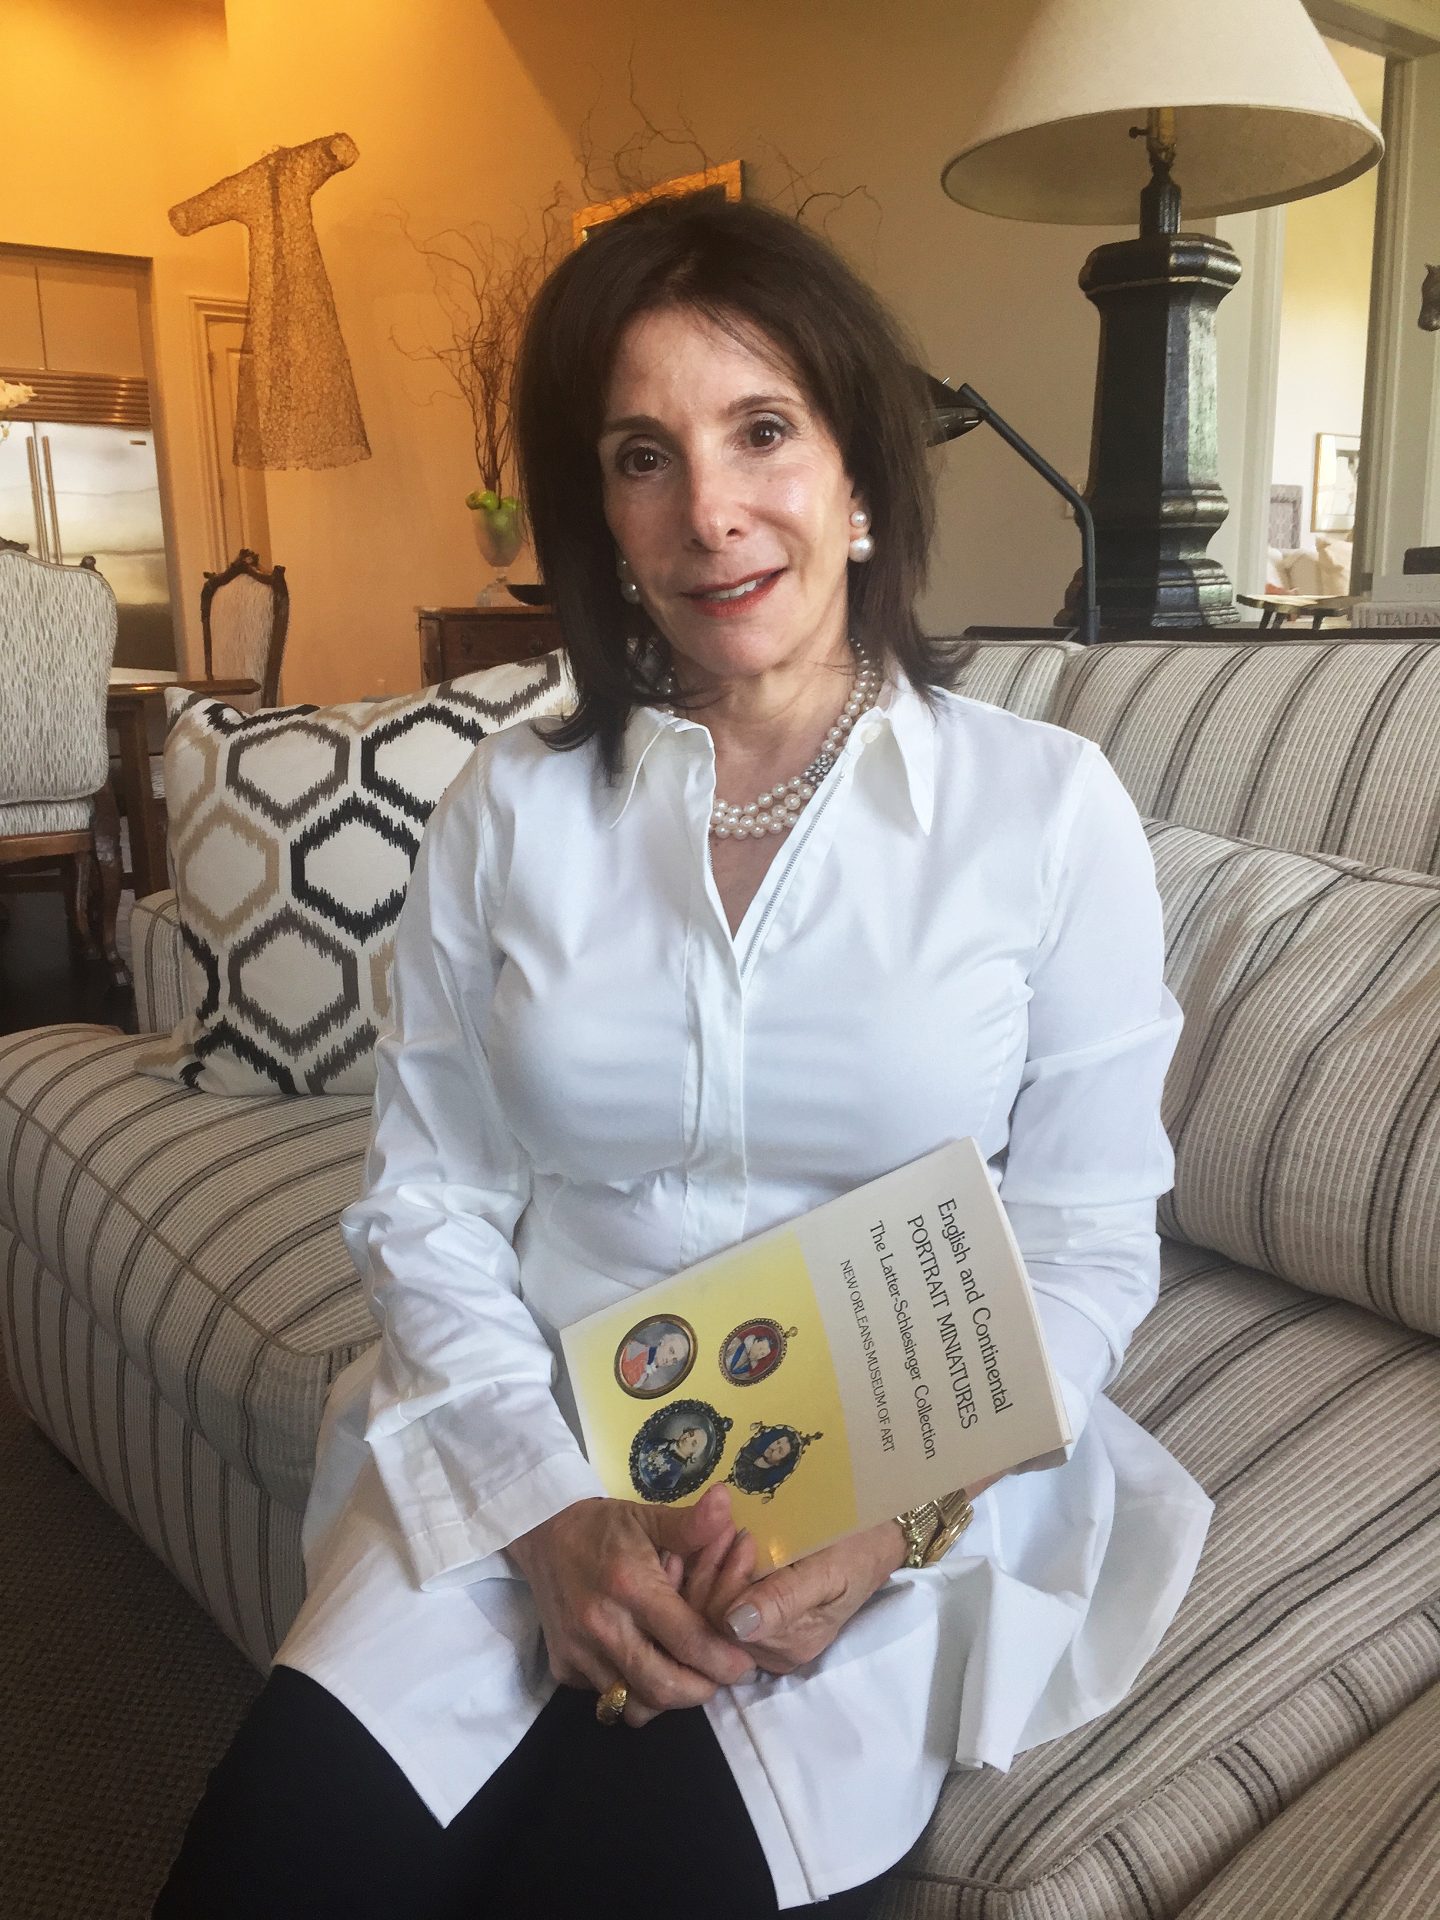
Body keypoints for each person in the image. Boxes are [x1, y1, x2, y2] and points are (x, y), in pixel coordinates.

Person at [153, 195, 1211, 1919]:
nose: (710, 511)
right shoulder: (512, 807)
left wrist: (890, 1526)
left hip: (877, 1473)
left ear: (860, 477)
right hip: (532, 1443)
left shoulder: (1042, 812)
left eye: (763, 431)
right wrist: (550, 1515)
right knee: (266, 1872)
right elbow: (426, 1200)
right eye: (645, 457)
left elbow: (1087, 1242)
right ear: (603, 516)